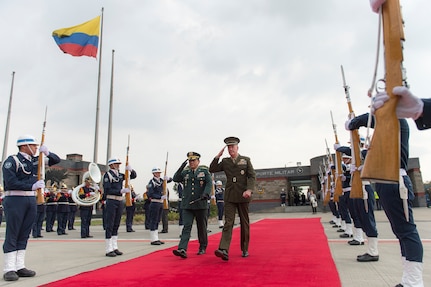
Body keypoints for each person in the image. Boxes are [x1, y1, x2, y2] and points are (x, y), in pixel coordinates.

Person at [347, 112, 424, 286]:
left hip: (395, 180)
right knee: (401, 231)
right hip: (386, 182)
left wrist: (353, 121)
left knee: (406, 231)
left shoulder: (395, 118)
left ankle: (414, 281)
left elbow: (369, 119)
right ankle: (409, 279)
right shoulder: (386, 125)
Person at [1, 134, 60, 281]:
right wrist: (31, 185)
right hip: (15, 199)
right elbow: (10, 181)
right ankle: (9, 268)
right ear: (24, 146)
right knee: (13, 232)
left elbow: (56, 160)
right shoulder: (12, 161)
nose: (35, 148)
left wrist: (48, 153)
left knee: (25, 232)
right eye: (33, 145)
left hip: (30, 199)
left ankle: (20, 265)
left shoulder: (36, 161)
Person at [209, 137, 256, 261]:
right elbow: (212, 169)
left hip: (243, 195)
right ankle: (223, 249)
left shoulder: (245, 160)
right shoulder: (225, 161)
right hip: (230, 195)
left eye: (232, 147)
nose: (230, 149)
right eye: (228, 147)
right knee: (228, 222)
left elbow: (252, 176)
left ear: (237, 147)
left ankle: (245, 248)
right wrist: (217, 157)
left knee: (244, 223)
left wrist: (249, 190)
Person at [172, 152, 212, 258]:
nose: (191, 163)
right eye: (190, 161)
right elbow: (175, 178)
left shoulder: (204, 171)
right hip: (188, 204)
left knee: (202, 227)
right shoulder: (185, 172)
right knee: (187, 226)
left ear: (198, 161)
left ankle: (202, 246)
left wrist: (206, 193)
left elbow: (209, 183)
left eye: (193, 161)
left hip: (200, 204)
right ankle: (182, 248)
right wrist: (181, 167)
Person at [102, 157, 137, 257]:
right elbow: (107, 190)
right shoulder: (107, 175)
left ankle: (115, 246)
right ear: (111, 165)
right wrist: (120, 191)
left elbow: (133, 176)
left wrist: (130, 169)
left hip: (119, 201)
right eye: (116, 164)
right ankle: (108, 248)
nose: (118, 165)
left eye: (118, 164)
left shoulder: (121, 175)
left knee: (116, 224)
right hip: (111, 200)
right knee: (110, 224)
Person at [147, 167, 172, 245]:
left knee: (158, 220)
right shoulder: (152, 182)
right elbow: (150, 194)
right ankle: (153, 239)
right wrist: (159, 197)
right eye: (157, 173)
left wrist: (168, 178)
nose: (159, 174)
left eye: (159, 173)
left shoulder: (161, 181)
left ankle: (156, 237)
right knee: (153, 220)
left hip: (161, 203)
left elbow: (171, 180)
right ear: (154, 174)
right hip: (155, 202)